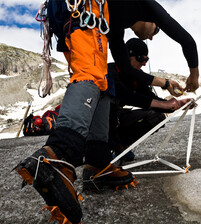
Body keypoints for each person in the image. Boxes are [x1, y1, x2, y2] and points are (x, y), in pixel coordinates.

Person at [15, 1, 134, 224]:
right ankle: (58, 155)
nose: (153, 34)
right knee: (91, 71)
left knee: (102, 81)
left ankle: (97, 161)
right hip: (86, 8)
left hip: (74, 14)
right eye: (154, 29)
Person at [108, 38, 192, 161]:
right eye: (140, 58)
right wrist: (165, 104)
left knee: (157, 116)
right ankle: (106, 146)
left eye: (146, 59)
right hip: (101, 118)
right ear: (128, 56)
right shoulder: (110, 71)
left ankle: (121, 145)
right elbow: (129, 97)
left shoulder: (138, 77)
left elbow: (150, 98)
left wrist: (178, 104)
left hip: (118, 117)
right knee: (109, 111)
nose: (144, 63)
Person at [107, 0, 199, 95]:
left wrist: (166, 83)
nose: (150, 38)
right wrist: (194, 75)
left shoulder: (116, 29)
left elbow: (126, 69)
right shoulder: (144, 4)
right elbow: (187, 41)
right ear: (152, 21)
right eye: (156, 30)